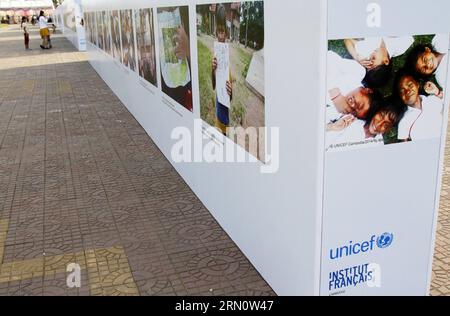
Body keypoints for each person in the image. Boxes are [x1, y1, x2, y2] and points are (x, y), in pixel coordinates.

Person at [326, 51, 381, 128]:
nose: (352, 106)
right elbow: (329, 57)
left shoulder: (341, 113)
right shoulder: (357, 72)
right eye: (360, 105)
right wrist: (336, 96)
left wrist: (332, 127)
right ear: (368, 90)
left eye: (354, 112)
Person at [345, 36, 413, 88]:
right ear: (386, 61)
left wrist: (356, 57)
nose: (370, 57)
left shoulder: (367, 51)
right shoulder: (400, 46)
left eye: (368, 63)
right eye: (373, 59)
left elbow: (347, 40)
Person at [395, 70, 444, 141]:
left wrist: (437, 92)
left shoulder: (433, 99)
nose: (407, 91)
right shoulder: (403, 123)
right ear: (400, 96)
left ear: (417, 85)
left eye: (410, 85)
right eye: (402, 91)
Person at [211, 5, 233, 135]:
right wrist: (212, 70)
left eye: (223, 31)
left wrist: (231, 91)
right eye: (218, 31)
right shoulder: (214, 56)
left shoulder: (228, 58)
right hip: (218, 116)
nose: (220, 35)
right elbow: (214, 85)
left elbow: (230, 95)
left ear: (226, 33)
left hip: (226, 117)